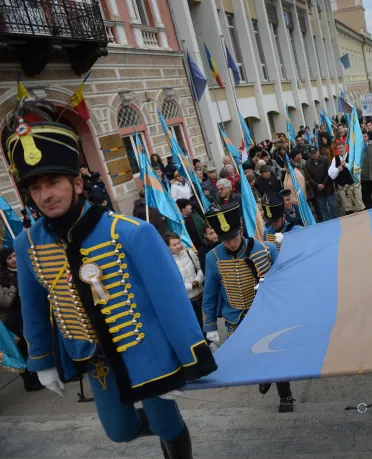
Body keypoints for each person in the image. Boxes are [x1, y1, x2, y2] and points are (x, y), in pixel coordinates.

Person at [5, 100, 216, 455]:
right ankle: (169, 428)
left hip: (146, 348)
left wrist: (190, 358)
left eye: (53, 182)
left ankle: (174, 438)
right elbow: (35, 309)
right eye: (36, 188)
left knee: (166, 423)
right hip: (96, 358)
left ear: (76, 182)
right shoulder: (27, 245)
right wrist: (40, 362)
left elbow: (170, 302)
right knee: (119, 432)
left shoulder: (131, 232)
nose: (45, 195)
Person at [201, 204, 294, 412]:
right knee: (250, 353)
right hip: (236, 316)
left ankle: (285, 395)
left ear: (240, 230)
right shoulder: (212, 257)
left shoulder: (265, 249)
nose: (231, 243)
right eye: (225, 239)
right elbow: (209, 295)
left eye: (233, 237)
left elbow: (282, 283)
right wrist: (210, 328)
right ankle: (264, 373)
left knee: (275, 350)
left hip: (264, 313)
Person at [0, 247, 43, 391]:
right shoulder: (4, 277)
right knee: (22, 349)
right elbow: (5, 302)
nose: (13, 259)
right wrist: (14, 286)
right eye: (9, 258)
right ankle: (30, 380)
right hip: (12, 320)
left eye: (14, 256)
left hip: (30, 312)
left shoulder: (25, 268)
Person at [165, 233, 204, 332]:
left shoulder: (189, 253)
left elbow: (200, 269)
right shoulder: (167, 261)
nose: (178, 246)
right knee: (195, 325)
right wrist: (190, 286)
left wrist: (197, 280)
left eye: (179, 243)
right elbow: (172, 282)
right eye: (174, 245)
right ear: (167, 247)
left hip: (200, 294)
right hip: (186, 299)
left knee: (206, 322)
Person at [328, 140, 365, 214]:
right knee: (348, 209)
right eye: (339, 148)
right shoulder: (335, 159)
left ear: (345, 147)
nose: (340, 150)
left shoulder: (351, 156)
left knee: (360, 206)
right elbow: (330, 173)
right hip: (343, 187)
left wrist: (347, 165)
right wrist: (337, 169)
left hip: (354, 185)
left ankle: (363, 222)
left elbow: (357, 169)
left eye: (341, 148)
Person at [305, 145, 338, 221]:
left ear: (318, 151)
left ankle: (336, 220)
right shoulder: (308, 163)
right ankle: (328, 222)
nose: (314, 155)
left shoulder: (325, 159)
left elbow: (329, 173)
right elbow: (309, 177)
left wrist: (324, 184)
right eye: (312, 153)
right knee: (323, 207)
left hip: (328, 187)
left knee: (332, 205)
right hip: (318, 190)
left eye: (315, 152)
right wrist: (317, 185)